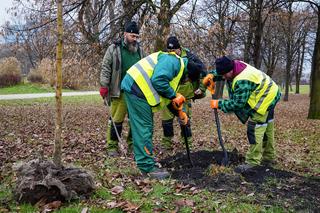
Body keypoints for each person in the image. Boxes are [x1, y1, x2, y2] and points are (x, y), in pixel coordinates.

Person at [203, 56, 281, 173]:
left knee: (255, 129)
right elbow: (223, 72)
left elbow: (237, 104)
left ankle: (253, 162)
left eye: (224, 75)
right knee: (267, 128)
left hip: (264, 98)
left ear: (230, 71)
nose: (223, 78)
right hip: (272, 92)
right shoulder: (235, 65)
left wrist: (219, 104)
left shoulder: (242, 80)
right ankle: (269, 158)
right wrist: (212, 76)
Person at [121, 51, 189, 179]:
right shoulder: (173, 62)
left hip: (137, 88)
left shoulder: (175, 66)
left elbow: (167, 96)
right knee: (144, 128)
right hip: (136, 88)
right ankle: (147, 168)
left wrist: (180, 112)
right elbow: (158, 81)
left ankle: (145, 161)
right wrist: (174, 95)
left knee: (145, 127)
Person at [100, 21, 145, 157]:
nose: (135, 39)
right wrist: (104, 85)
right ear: (125, 34)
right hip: (119, 91)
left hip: (136, 92)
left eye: (137, 37)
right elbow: (106, 67)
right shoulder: (114, 48)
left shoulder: (140, 50)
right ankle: (112, 147)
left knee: (134, 121)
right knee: (116, 120)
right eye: (132, 36)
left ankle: (132, 145)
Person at [161, 36, 207, 150]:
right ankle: (166, 144)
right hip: (168, 92)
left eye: (174, 50)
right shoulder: (163, 57)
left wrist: (202, 88)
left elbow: (203, 71)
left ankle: (188, 144)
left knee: (184, 120)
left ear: (179, 48)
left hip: (185, 93)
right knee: (166, 121)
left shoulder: (190, 57)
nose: (172, 53)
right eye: (169, 51)